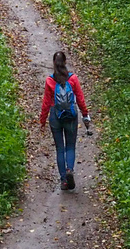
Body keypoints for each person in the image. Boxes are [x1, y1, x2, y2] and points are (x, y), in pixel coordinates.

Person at [39, 51, 91, 190]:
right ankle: (70, 170)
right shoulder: (72, 79)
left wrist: (42, 120)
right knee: (70, 146)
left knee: (60, 148)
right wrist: (85, 114)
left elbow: (45, 103)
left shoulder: (50, 80)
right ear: (65, 62)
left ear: (53, 64)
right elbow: (80, 98)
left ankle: (64, 180)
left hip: (55, 116)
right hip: (71, 116)